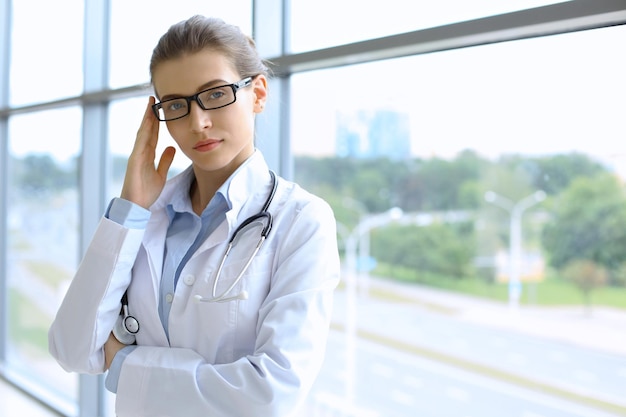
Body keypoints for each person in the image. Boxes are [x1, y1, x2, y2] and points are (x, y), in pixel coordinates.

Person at [48, 15, 340, 417]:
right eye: (176, 105)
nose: (197, 122)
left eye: (215, 94)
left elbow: (271, 393)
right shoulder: (143, 216)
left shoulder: (302, 220)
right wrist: (130, 208)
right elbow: (71, 347)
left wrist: (125, 364)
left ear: (257, 93)